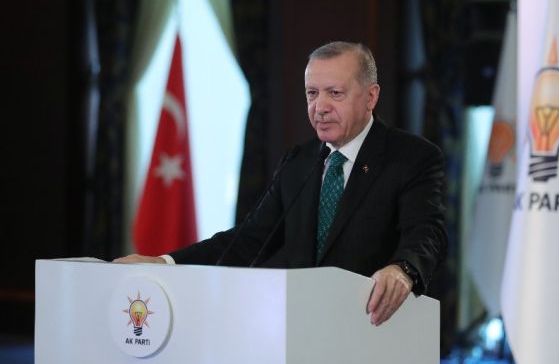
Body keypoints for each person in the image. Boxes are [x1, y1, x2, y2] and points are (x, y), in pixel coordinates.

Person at [115, 41, 447, 326]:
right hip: (301, 332)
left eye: (335, 93)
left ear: (371, 97)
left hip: (372, 329)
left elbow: (427, 231)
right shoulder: (298, 162)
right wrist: (167, 263)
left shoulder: (411, 157)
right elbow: (249, 240)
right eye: (312, 93)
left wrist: (402, 269)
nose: (320, 107)